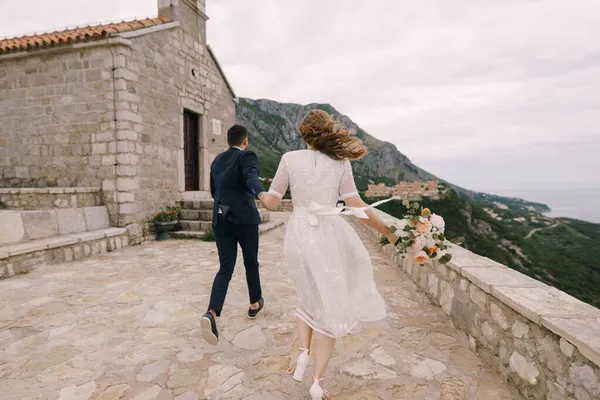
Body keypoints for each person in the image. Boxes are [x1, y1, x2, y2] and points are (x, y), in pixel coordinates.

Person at [258, 110, 399, 400]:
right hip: (328, 235)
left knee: (308, 296)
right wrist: (387, 230)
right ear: (327, 133)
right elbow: (355, 204)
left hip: (297, 235)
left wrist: (257, 192)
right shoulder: (340, 162)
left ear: (304, 134)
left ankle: (302, 354)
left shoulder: (288, 158)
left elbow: (272, 202)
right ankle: (317, 383)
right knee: (330, 306)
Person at [200, 124, 266, 346]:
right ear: (244, 142)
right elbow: (251, 177)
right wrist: (261, 193)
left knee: (225, 267)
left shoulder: (217, 161)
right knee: (251, 263)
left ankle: (211, 312)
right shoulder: (247, 157)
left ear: (227, 142)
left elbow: (213, 191)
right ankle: (255, 303)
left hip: (221, 219)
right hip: (245, 220)